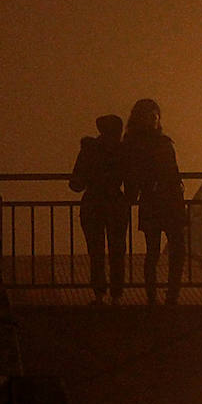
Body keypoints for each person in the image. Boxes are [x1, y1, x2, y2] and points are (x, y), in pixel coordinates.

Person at [121, 98, 186, 304]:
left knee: (168, 249)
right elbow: (134, 174)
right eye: (151, 115)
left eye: (156, 115)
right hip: (159, 201)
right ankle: (159, 295)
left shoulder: (135, 143)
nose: (155, 119)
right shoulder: (152, 143)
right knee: (157, 250)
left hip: (163, 201)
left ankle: (166, 295)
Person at [69, 114, 128, 304]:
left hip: (92, 204)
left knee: (96, 251)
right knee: (117, 250)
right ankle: (117, 294)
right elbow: (131, 179)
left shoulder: (89, 150)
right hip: (116, 204)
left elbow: (76, 183)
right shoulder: (123, 151)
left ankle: (98, 293)